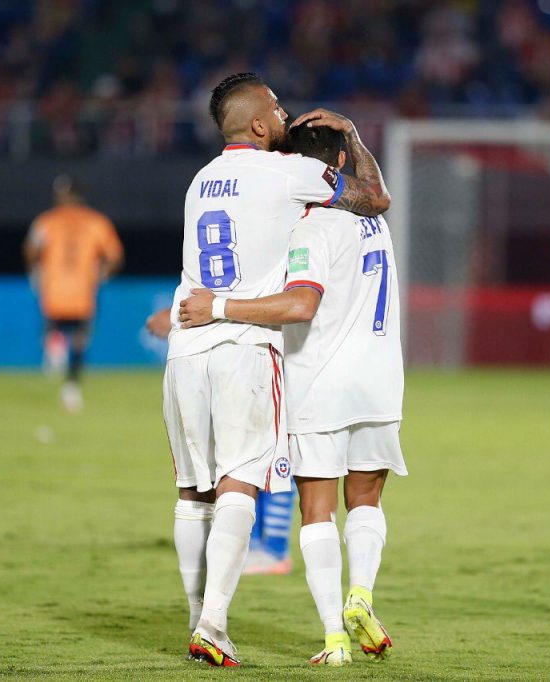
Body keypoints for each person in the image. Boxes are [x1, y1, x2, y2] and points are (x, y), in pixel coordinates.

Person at [165, 72, 390, 667]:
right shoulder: (290, 173)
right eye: (278, 106)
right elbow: (373, 199)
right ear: (261, 125)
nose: (286, 112)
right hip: (242, 340)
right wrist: (350, 134)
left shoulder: (200, 179)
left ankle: (196, 618)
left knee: (193, 488)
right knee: (239, 480)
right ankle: (212, 623)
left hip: (186, 344)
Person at [146, 305, 299, 577]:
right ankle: (257, 545)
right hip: (266, 349)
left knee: (274, 451)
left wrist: (175, 314)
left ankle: (273, 548)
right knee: (257, 451)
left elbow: (251, 286)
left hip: (278, 351)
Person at [24, 176, 124, 412]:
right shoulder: (96, 222)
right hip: (82, 291)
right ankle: (71, 387)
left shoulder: (47, 221)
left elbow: (30, 249)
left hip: (54, 289)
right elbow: (115, 257)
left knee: (54, 326)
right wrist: (103, 274)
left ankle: (54, 343)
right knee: (80, 339)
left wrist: (35, 270)